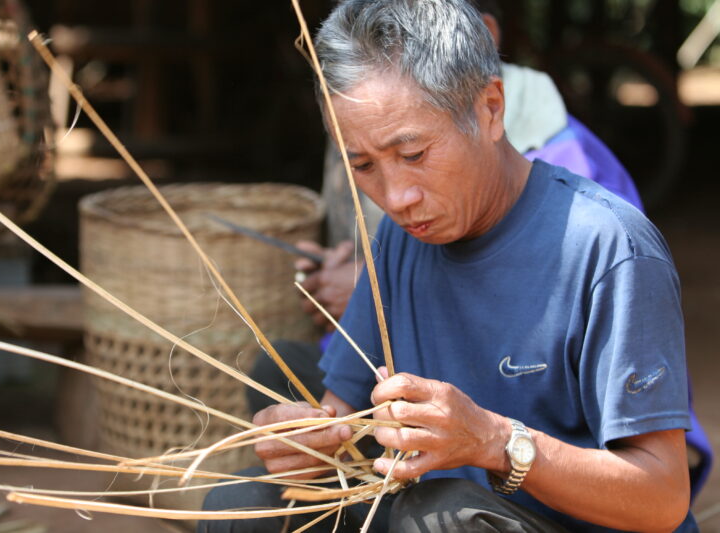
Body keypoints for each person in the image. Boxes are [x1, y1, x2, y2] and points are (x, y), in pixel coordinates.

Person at [200, 0, 697, 531]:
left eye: (413, 155)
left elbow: (662, 498)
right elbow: (339, 424)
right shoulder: (395, 238)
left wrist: (494, 441)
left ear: (490, 109)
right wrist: (306, 445)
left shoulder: (607, 246)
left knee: (438, 516)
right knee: (239, 508)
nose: (395, 196)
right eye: (362, 165)